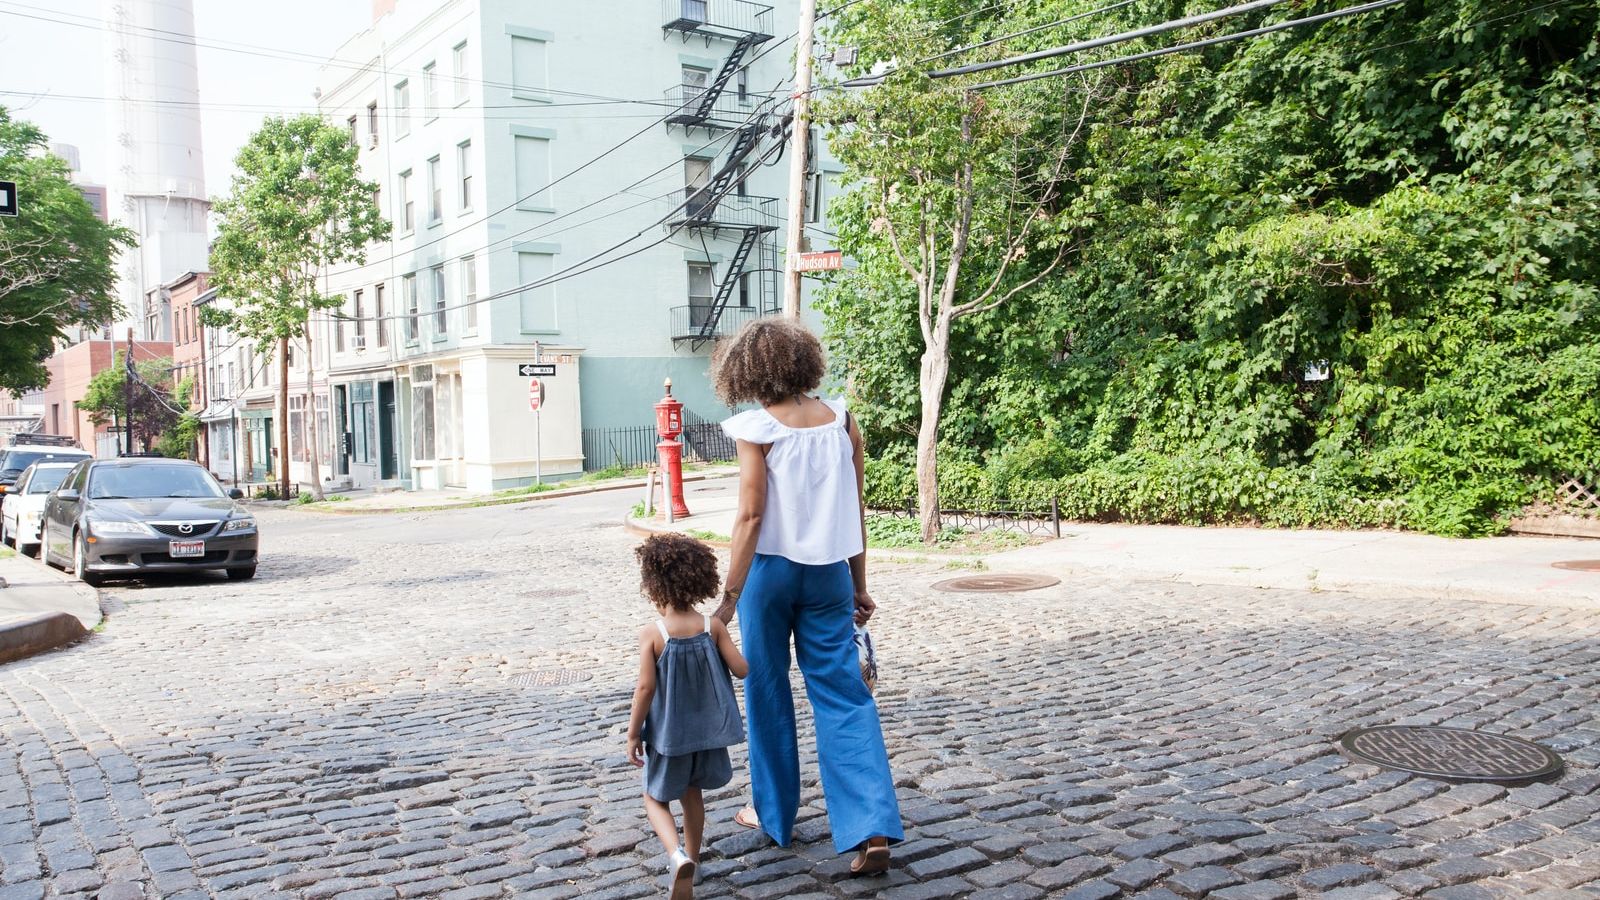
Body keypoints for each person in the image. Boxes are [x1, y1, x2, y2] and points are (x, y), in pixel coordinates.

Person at [710, 317, 903, 875]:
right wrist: (859, 583)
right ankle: (870, 826)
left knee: (768, 692)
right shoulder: (841, 418)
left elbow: (750, 514)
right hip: (829, 576)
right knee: (844, 695)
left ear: (746, 369)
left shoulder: (755, 427)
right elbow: (855, 507)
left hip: (770, 576)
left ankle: (774, 815)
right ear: (804, 363)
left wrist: (727, 599)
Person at [627, 533, 749, 900]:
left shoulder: (654, 633)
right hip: (707, 735)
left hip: (668, 737)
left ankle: (676, 854)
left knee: (655, 798)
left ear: (653, 586)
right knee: (693, 797)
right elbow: (741, 669)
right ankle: (692, 859)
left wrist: (634, 733)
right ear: (699, 581)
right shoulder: (713, 627)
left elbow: (645, 689)